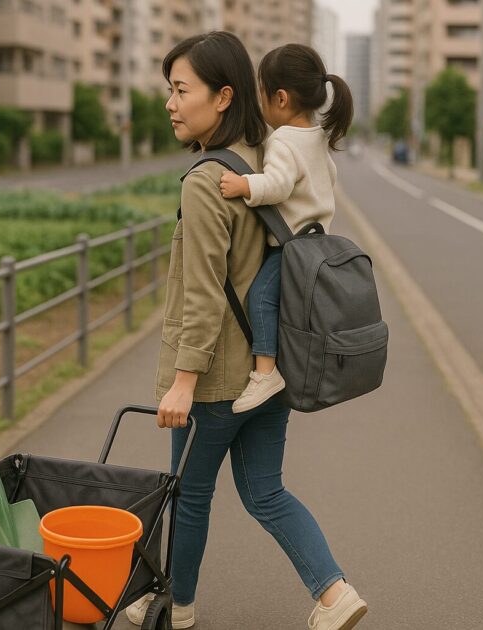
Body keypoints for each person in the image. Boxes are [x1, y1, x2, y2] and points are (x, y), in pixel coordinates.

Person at [124, 32, 368, 630]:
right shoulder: (266, 157)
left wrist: (184, 382)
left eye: (181, 90)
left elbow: (203, 293)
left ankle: (176, 608)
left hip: (215, 383)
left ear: (224, 96)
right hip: (271, 371)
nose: (171, 104)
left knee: (189, 495)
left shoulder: (206, 181)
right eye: (169, 91)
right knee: (265, 491)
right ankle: (334, 592)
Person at [219, 43, 354, 414]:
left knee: (261, 297)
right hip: (317, 243)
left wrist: (244, 185)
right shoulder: (318, 136)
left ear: (280, 98)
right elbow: (329, 176)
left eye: (261, 93)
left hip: (289, 247)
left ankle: (265, 373)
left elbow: (277, 185)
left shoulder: (282, 139)